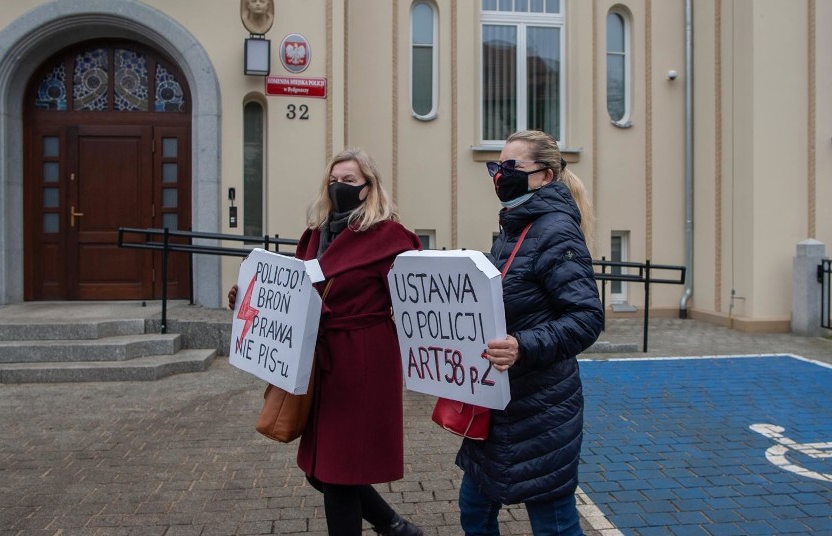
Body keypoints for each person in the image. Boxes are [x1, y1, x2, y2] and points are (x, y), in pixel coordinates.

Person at [229, 147, 424, 536]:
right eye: (334, 180)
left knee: (337, 475)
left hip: (361, 360)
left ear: (369, 188)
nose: (340, 187)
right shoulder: (315, 236)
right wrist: (250, 298)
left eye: (350, 181)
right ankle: (395, 526)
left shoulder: (392, 238)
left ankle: (395, 526)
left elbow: (418, 302)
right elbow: (296, 292)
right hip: (317, 361)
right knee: (322, 472)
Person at [456, 130, 604, 536]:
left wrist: (523, 346)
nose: (501, 176)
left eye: (512, 168)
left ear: (546, 176)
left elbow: (586, 317)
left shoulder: (555, 230)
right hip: (500, 398)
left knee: (552, 520)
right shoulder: (514, 228)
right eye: (497, 167)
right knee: (474, 506)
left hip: (542, 405)